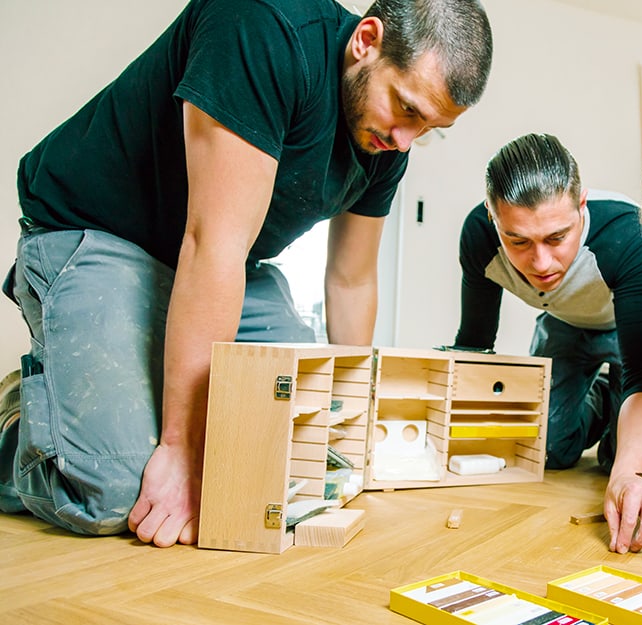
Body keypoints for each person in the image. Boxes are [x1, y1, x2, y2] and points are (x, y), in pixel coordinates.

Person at [0, 0, 493, 548]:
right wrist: (181, 450)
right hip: (102, 233)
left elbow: (351, 280)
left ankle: (102, 402)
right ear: (366, 41)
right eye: (405, 108)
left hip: (224, 267)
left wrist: (355, 427)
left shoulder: (385, 141)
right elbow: (212, 244)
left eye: (428, 126)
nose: (406, 140)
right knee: (117, 490)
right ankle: (23, 419)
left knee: (302, 449)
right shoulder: (262, 26)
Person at [453, 133, 642, 554]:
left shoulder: (629, 232)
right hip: (566, 320)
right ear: (493, 217)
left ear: (581, 205)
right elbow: (475, 343)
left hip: (639, 329)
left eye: (556, 238)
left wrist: (627, 476)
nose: (541, 264)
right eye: (518, 242)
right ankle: (607, 398)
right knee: (548, 450)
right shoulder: (478, 237)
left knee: (626, 460)